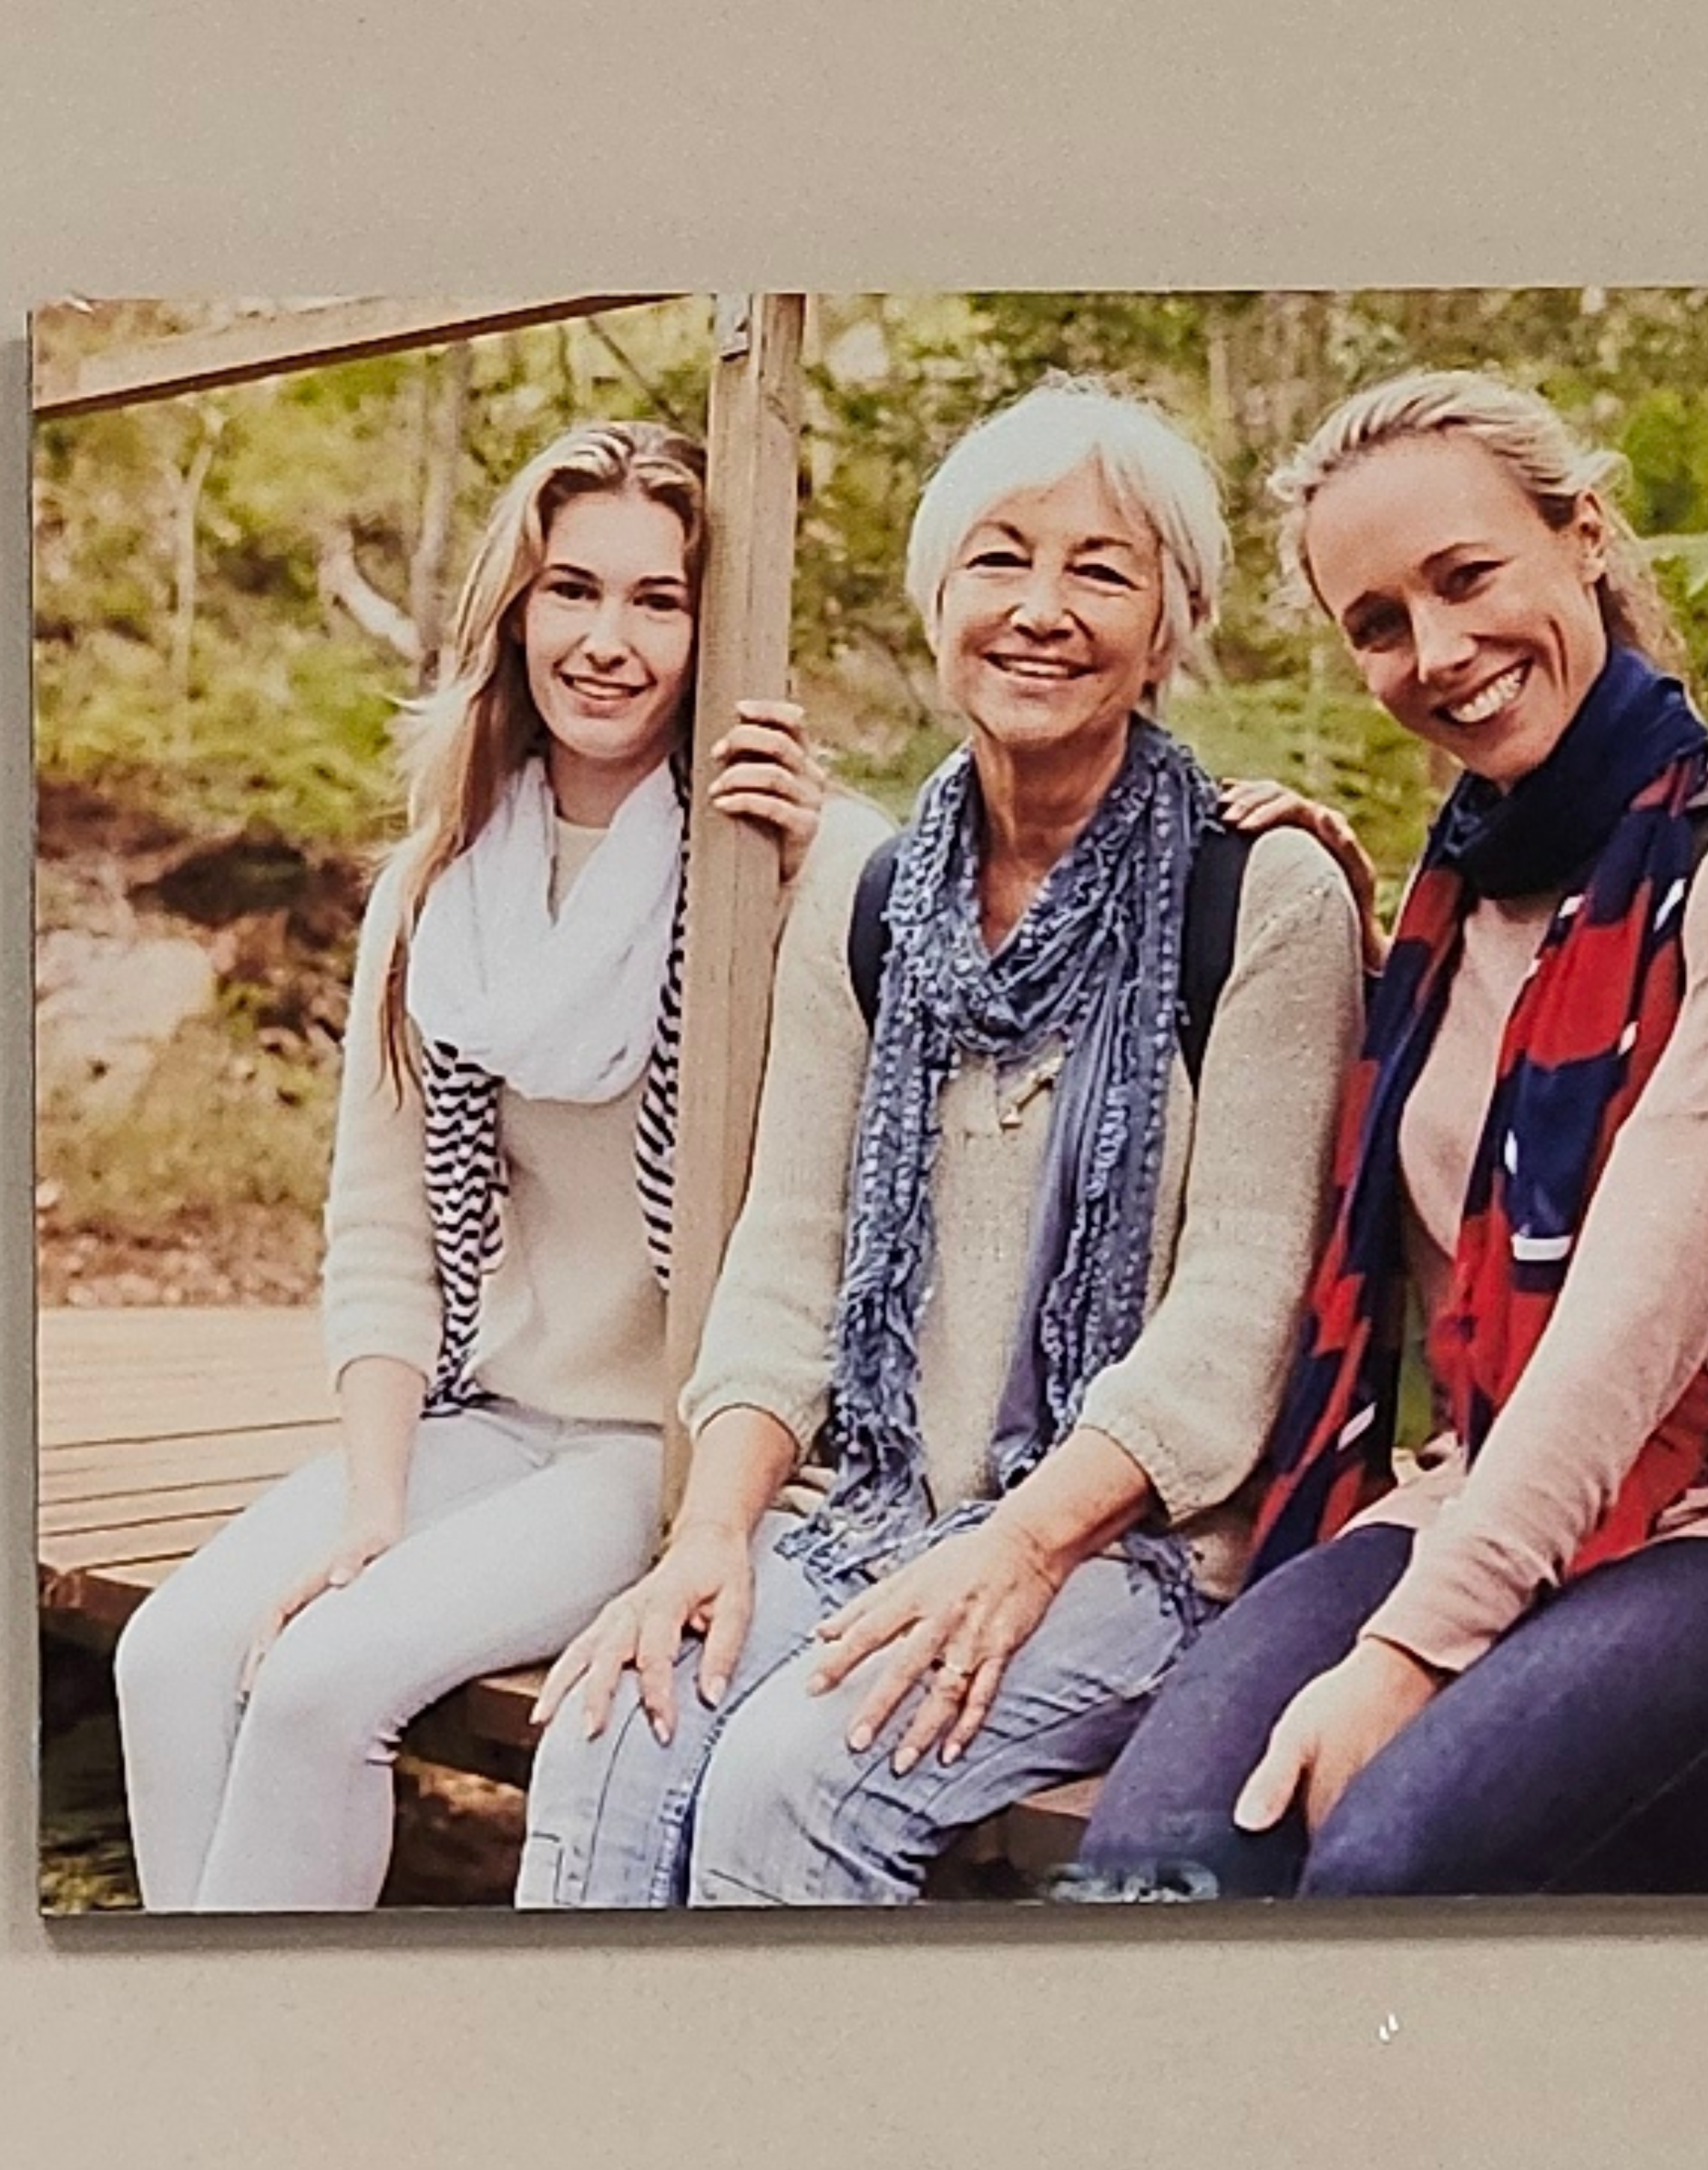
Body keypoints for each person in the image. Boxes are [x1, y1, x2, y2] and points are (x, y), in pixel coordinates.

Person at [1074, 370, 1708, 1899]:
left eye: (1466, 576)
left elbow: (1631, 1311)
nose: (1437, 653)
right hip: (1496, 1496)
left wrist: (1407, 1651)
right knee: (1158, 1859)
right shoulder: (1451, 917)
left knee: (1388, 1866)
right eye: (1377, 623)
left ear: (1585, 538)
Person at [516, 380, 1364, 1909]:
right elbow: (787, 1259)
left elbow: (1241, 1312)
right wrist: (711, 1531)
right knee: (606, 1729)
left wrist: (1023, 1548)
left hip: (1127, 1556)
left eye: (1101, 569)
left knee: (789, 1786)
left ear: (1172, 626)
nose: (1042, 609)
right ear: (937, 602)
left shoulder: (1269, 895)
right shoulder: (873, 898)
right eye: (1001, 559)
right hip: (875, 1508)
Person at [113, 419, 832, 1912]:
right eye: (575, 591)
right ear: (515, 608)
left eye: (660, 599)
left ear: (715, 629)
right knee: (172, 1653)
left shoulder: (787, 867)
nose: (610, 641)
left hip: (663, 1447)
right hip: (479, 1415)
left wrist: (827, 869)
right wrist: (374, 1501)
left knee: (320, 1691)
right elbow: (379, 1236)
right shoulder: (439, 890)